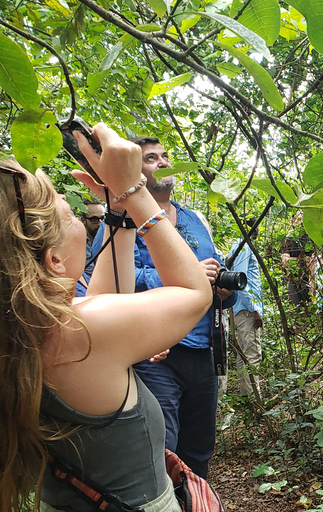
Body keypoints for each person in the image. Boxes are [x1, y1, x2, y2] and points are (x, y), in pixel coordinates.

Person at [0, 125, 211, 512]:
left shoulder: (31, 332)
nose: (70, 200)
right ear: (55, 260)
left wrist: (119, 214)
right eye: (67, 211)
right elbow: (195, 294)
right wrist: (135, 192)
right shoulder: (80, 333)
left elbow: (103, 301)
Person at [91, 136, 236, 478]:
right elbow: (106, 277)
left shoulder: (196, 219)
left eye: (165, 155)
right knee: (163, 445)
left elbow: (210, 274)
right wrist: (180, 276)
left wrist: (219, 291)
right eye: (151, 157)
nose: (162, 161)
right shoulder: (121, 219)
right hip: (154, 352)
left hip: (201, 348)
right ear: (135, 173)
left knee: (199, 447)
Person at [226, 218, 264, 396]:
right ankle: (255, 400)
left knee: (244, 355)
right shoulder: (244, 248)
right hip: (246, 310)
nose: (256, 231)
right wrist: (254, 309)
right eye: (253, 227)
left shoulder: (241, 247)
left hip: (241, 309)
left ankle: (246, 396)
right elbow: (240, 281)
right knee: (252, 355)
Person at [79, 197, 104, 278]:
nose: (100, 223)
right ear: (83, 220)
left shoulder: (109, 238)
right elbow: (90, 273)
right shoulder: (80, 242)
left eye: (103, 219)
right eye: (94, 219)